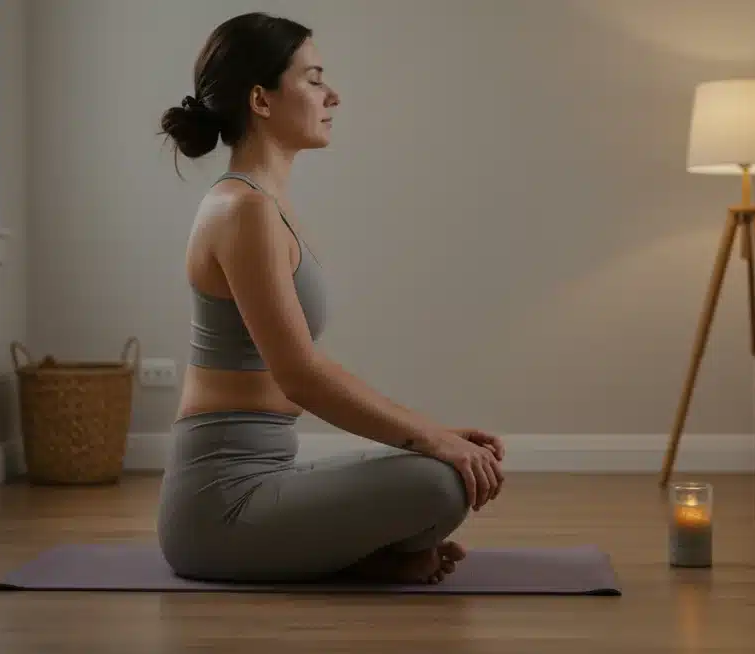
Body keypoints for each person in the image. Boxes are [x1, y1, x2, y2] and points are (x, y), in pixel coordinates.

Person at [154, 11, 506, 585]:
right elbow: (301, 375)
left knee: (438, 472)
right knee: (439, 482)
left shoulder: (264, 205)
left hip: (269, 476)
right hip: (219, 508)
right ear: (261, 100)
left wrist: (433, 435)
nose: (332, 94)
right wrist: (433, 437)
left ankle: (362, 555)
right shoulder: (241, 210)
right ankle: (364, 555)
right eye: (314, 78)